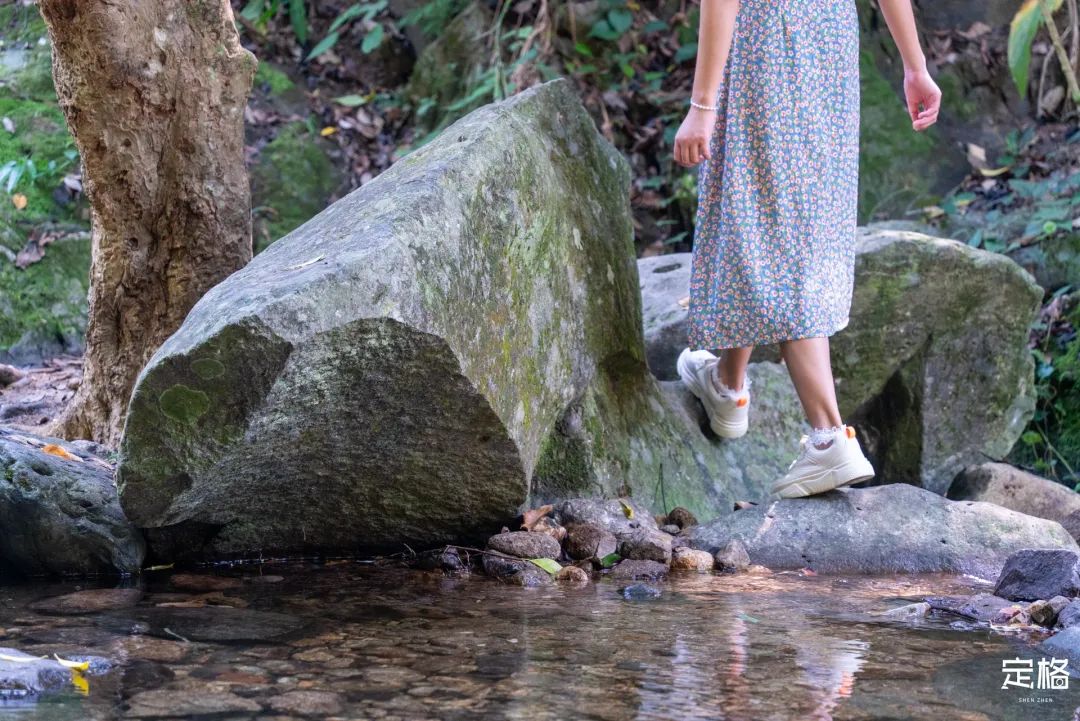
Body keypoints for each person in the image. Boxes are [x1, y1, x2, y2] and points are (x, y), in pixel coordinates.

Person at [671, 0, 940, 498]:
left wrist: (701, 105)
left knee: (772, 216)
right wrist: (915, 66)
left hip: (770, 42)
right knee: (784, 212)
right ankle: (728, 384)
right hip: (828, 41)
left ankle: (828, 436)